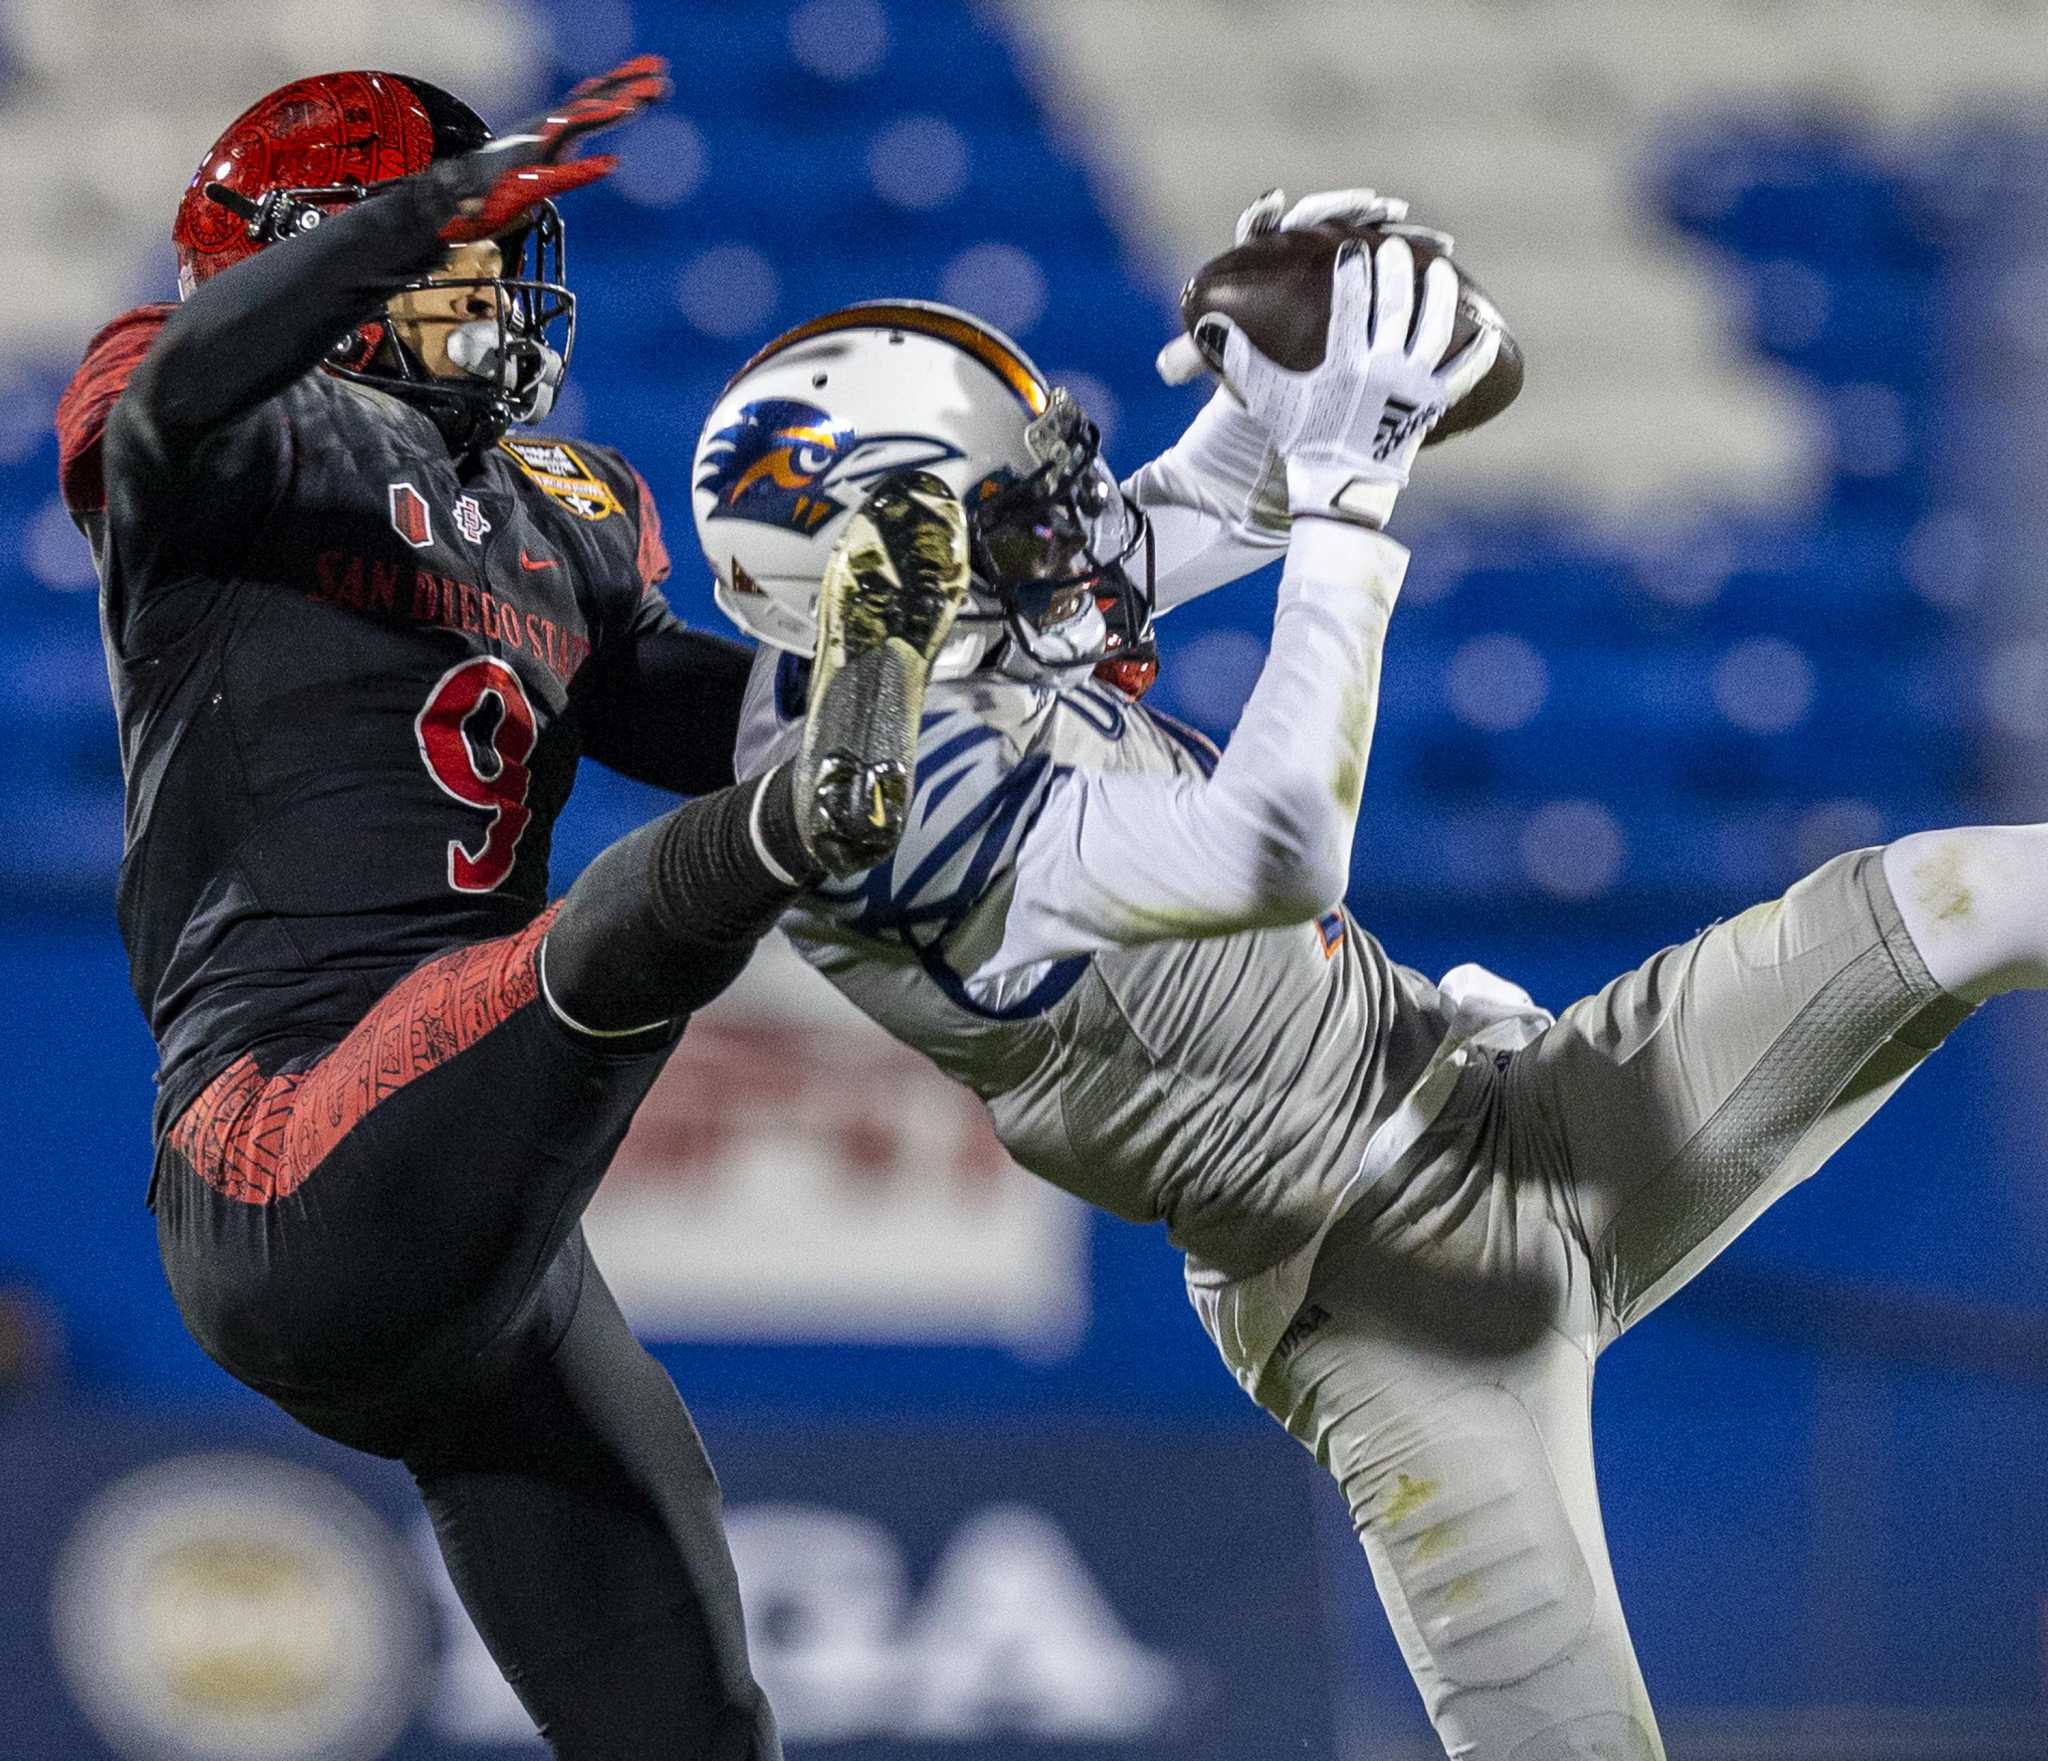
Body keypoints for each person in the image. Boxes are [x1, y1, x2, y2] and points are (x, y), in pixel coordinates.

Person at [699, 190, 2035, 1760]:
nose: (1056, 532)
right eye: (997, 517)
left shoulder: (931, 631)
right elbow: (1273, 845)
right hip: (1378, 1297)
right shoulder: (871, 806)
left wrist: (1281, 393)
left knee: (1962, 893)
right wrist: (1348, 487)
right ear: (875, 559)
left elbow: (1182, 513)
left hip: (1512, 1103)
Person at [56, 62, 968, 1760]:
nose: (491, 287)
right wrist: (402, 217)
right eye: (453, 259)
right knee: (621, 933)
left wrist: (963, 665)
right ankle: (786, 839)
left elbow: (712, 707)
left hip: (488, 1251)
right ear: (313, 258)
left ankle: (811, 807)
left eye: (494, 252)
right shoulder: (210, 419)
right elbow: (175, 396)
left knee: (699, 1736)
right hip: (283, 1142)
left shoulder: (563, 515)